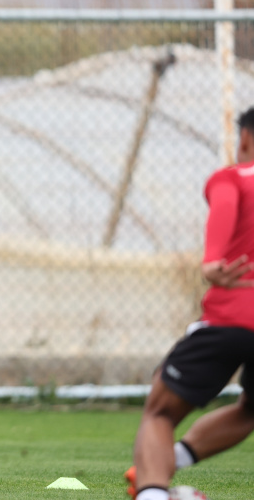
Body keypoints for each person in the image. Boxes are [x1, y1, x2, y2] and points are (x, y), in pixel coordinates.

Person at [125, 106, 254, 500]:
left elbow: (226, 207)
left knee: (160, 412)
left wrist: (213, 259)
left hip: (233, 318)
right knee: (250, 411)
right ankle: (171, 460)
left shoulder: (233, 178)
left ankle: (153, 492)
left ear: (245, 139)